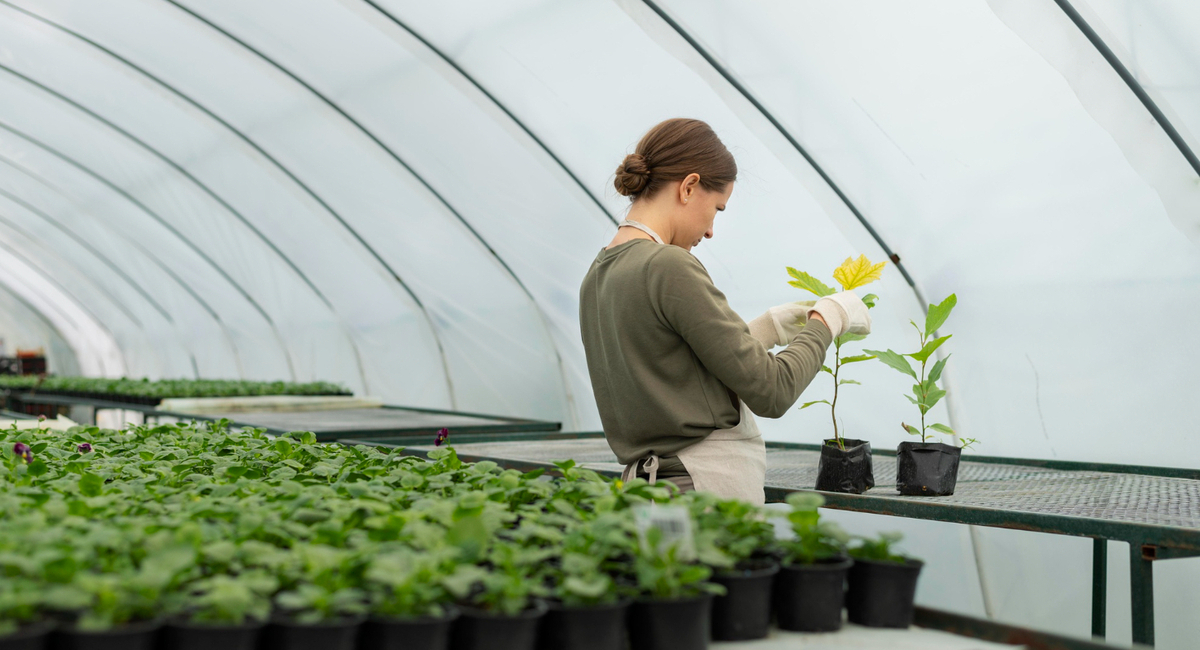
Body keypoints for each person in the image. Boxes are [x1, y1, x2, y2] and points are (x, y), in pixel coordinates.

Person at [578, 118, 871, 505]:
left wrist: (766, 328)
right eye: (717, 208)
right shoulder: (668, 265)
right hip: (704, 493)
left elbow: (672, 369)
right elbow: (772, 391)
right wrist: (828, 319)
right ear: (689, 187)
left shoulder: (598, 276)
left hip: (646, 492)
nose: (711, 230)